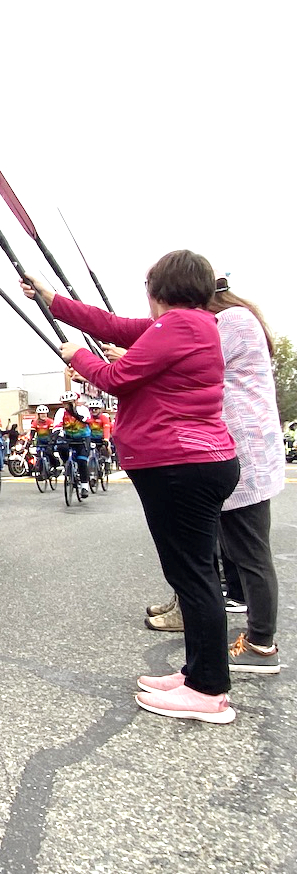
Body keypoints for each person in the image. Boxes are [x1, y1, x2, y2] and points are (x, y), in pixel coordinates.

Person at [22, 249, 239, 724]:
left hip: (181, 463)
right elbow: (113, 326)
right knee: (194, 574)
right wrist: (50, 296)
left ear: (159, 290)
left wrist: (75, 355)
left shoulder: (180, 326)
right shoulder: (190, 325)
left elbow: (116, 377)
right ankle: (198, 673)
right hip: (194, 461)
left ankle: (208, 690)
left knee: (193, 577)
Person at [145, 275, 284, 673]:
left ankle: (261, 643)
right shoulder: (236, 320)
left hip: (242, 450)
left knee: (250, 553)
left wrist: (133, 359)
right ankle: (245, 631)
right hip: (234, 447)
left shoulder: (234, 322)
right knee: (227, 548)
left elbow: (189, 361)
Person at [52, 391, 92, 499]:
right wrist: (54, 438)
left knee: (82, 461)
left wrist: (74, 413)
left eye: (69, 403)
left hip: (83, 438)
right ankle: (67, 464)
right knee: (60, 446)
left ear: (75, 401)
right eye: (65, 403)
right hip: (69, 437)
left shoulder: (83, 409)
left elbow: (87, 420)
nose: (67, 405)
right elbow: (57, 426)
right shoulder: (61, 412)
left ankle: (84, 486)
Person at [88, 398, 112, 484]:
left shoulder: (104, 418)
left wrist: (106, 439)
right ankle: (92, 476)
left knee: (106, 447)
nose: (94, 410)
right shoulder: (88, 418)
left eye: (96, 409)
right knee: (90, 456)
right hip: (91, 439)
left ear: (100, 410)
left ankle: (107, 461)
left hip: (102, 438)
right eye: (92, 409)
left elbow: (106, 429)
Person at [26, 404, 56, 472]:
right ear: (38, 415)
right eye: (41, 414)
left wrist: (51, 442)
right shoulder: (35, 423)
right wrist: (29, 441)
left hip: (49, 441)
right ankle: (40, 470)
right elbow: (32, 433)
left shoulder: (50, 421)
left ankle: (53, 467)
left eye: (44, 414)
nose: (43, 415)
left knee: (49, 453)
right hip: (40, 441)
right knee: (39, 455)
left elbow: (52, 433)